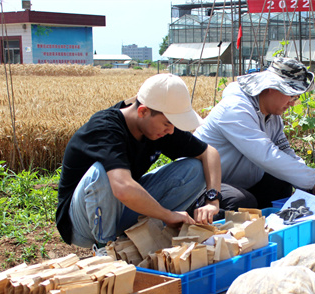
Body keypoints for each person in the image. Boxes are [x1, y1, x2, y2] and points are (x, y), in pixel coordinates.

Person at [56, 74, 221, 248]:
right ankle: (105, 248)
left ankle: (146, 237)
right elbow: (123, 188)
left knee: (194, 168)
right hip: (82, 224)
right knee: (102, 172)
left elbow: (210, 153)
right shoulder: (105, 127)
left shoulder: (157, 125)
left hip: (119, 210)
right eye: (167, 124)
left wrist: (212, 200)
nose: (171, 131)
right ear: (143, 111)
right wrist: (167, 215)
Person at [194, 57, 315, 210]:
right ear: (271, 87)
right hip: (204, 186)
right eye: (291, 95)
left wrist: (313, 184)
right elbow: (267, 155)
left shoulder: (273, 117)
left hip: (236, 182)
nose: (293, 103)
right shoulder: (235, 109)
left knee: (283, 180)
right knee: (241, 202)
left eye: (297, 97)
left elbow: (285, 152)